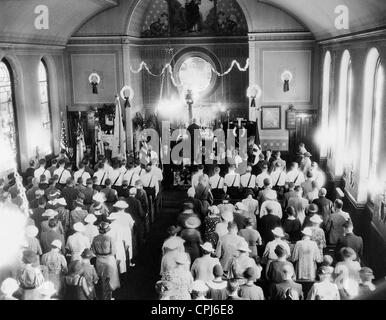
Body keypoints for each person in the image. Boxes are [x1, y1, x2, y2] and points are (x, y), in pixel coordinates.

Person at [91, 222, 120, 300]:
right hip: (109, 260)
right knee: (109, 279)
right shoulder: (110, 238)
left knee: (101, 279)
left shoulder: (95, 238)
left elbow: (93, 251)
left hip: (99, 260)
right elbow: (113, 252)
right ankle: (109, 297)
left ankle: (102, 296)